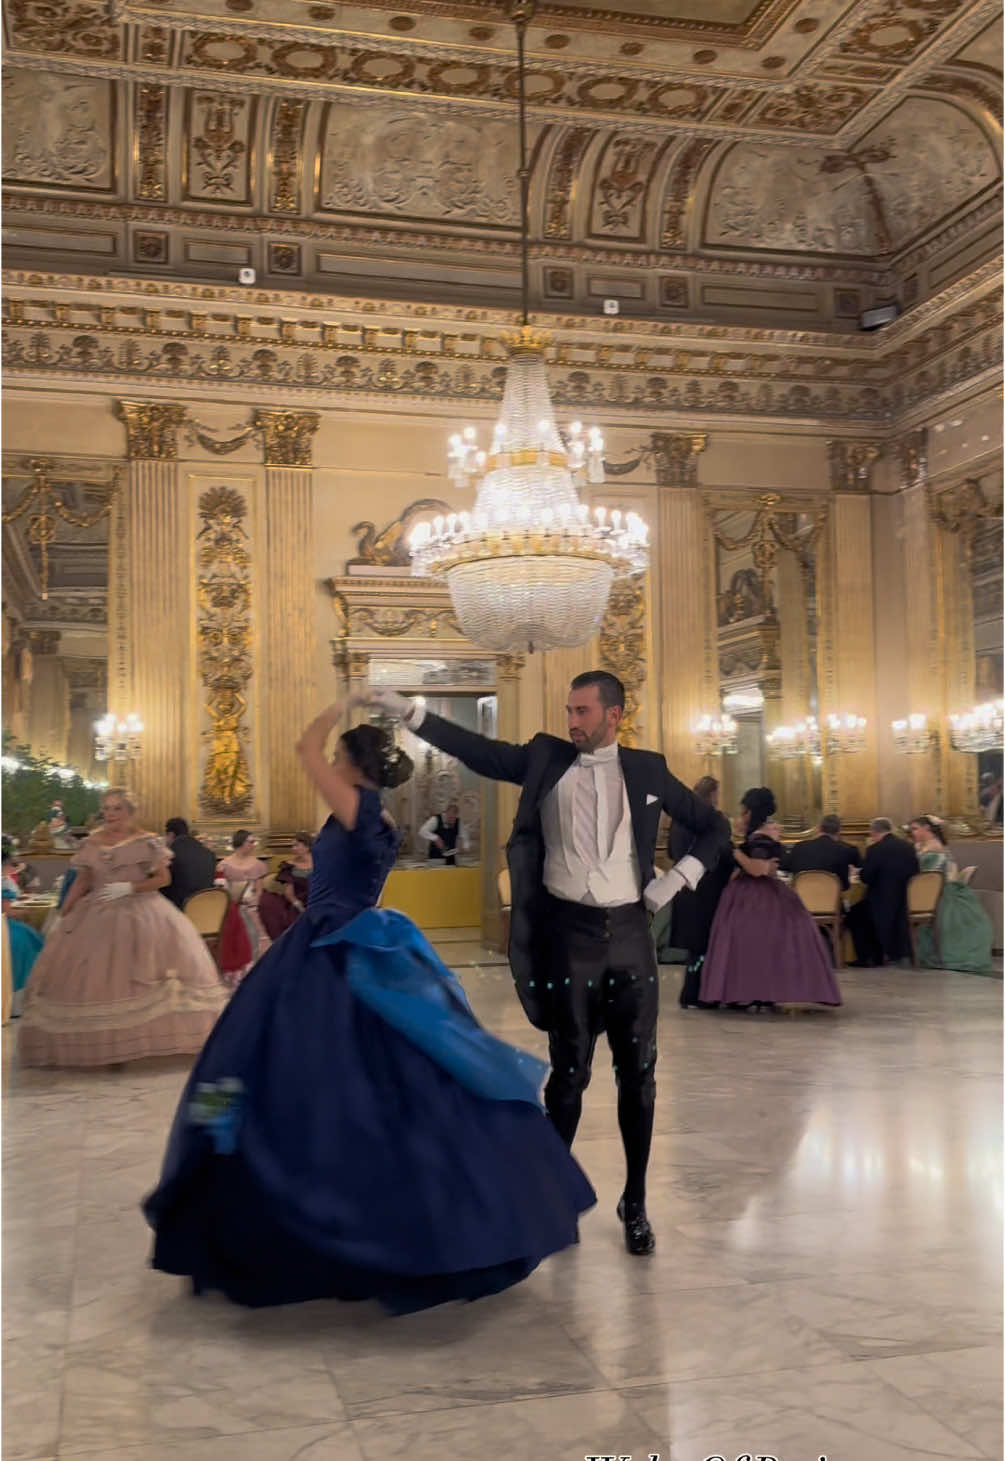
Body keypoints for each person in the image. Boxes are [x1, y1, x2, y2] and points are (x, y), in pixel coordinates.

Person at [143, 703, 595, 1313]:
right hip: (351, 941)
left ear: (355, 766)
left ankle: (315, 1217)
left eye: (340, 759)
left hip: (329, 952)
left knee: (297, 1076)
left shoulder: (356, 805)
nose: (329, 765)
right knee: (384, 1076)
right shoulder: (376, 813)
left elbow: (306, 748)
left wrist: (331, 711)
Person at [364, 671, 729, 1257]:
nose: (572, 721)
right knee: (570, 1074)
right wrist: (409, 712)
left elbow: (714, 828)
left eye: (583, 711)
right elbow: (481, 753)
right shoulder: (544, 757)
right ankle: (550, 1197)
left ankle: (634, 1202)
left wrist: (674, 882)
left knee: (638, 1077)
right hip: (570, 937)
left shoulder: (649, 769)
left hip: (632, 936)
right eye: (568, 710)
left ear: (614, 715)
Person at [18, 789, 225, 1068]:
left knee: (138, 975)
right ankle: (102, 1046)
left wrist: (131, 887)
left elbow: (163, 879)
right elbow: (82, 881)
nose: (110, 814)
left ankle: (137, 1044)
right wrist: (65, 910)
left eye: (117, 808)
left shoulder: (147, 842)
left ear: (129, 811)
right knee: (94, 978)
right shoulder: (91, 843)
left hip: (142, 910)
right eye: (106, 808)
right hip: (96, 912)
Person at [699, 787, 842, 1010]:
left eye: (744, 811)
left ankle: (751, 991)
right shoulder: (763, 836)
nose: (742, 816)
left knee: (751, 944)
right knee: (762, 946)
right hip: (763, 894)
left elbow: (759, 869)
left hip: (755, 897)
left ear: (751, 812)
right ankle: (760, 992)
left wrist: (735, 853)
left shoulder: (760, 838)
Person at [656, 776, 734, 1008]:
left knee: (696, 948)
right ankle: (698, 994)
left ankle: (693, 993)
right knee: (705, 946)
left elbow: (671, 852)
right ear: (712, 795)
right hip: (708, 890)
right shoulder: (711, 821)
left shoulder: (679, 821)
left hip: (686, 888)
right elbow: (721, 853)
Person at [909, 814, 993, 973]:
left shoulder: (933, 846)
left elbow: (927, 871)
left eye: (915, 829)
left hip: (938, 891)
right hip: (934, 888)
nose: (912, 833)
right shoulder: (925, 845)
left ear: (926, 828)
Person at [845, 818, 919, 966]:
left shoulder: (875, 849)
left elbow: (866, 878)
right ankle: (898, 953)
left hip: (880, 902)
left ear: (873, 832)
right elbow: (916, 872)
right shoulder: (908, 847)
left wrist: (860, 872)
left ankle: (869, 957)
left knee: (854, 914)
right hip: (907, 900)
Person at [216, 830, 269, 987]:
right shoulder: (224, 864)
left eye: (254, 842)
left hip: (252, 906)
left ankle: (252, 970)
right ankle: (237, 972)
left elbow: (259, 888)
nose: (253, 845)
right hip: (232, 907)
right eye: (250, 842)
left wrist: (255, 902)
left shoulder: (258, 864)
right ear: (240, 842)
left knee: (254, 932)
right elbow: (221, 889)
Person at [2, 842, 44, 1017]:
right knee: (31, 942)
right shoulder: (3, 883)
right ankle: (16, 1002)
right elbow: (7, 911)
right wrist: (27, 912)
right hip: (4, 928)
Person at [782, 814, 862, 890]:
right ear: (839, 831)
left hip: (800, 902)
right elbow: (845, 886)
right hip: (832, 903)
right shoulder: (845, 850)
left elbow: (784, 865)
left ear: (819, 828)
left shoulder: (799, 847)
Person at [162, 818, 217, 911]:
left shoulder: (170, 854)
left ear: (171, 834)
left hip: (179, 911)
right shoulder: (209, 854)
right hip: (206, 911)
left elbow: (163, 885)